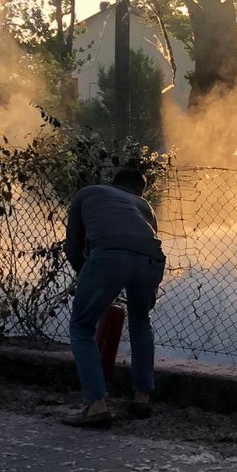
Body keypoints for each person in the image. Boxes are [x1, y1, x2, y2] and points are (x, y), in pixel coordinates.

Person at [62, 163, 166, 427]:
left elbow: (73, 246)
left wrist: (84, 275)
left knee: (82, 326)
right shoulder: (144, 206)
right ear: (139, 190)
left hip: (108, 257)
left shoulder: (87, 193)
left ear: (114, 181)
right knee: (141, 322)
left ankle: (96, 406)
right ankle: (142, 398)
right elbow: (147, 240)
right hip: (151, 260)